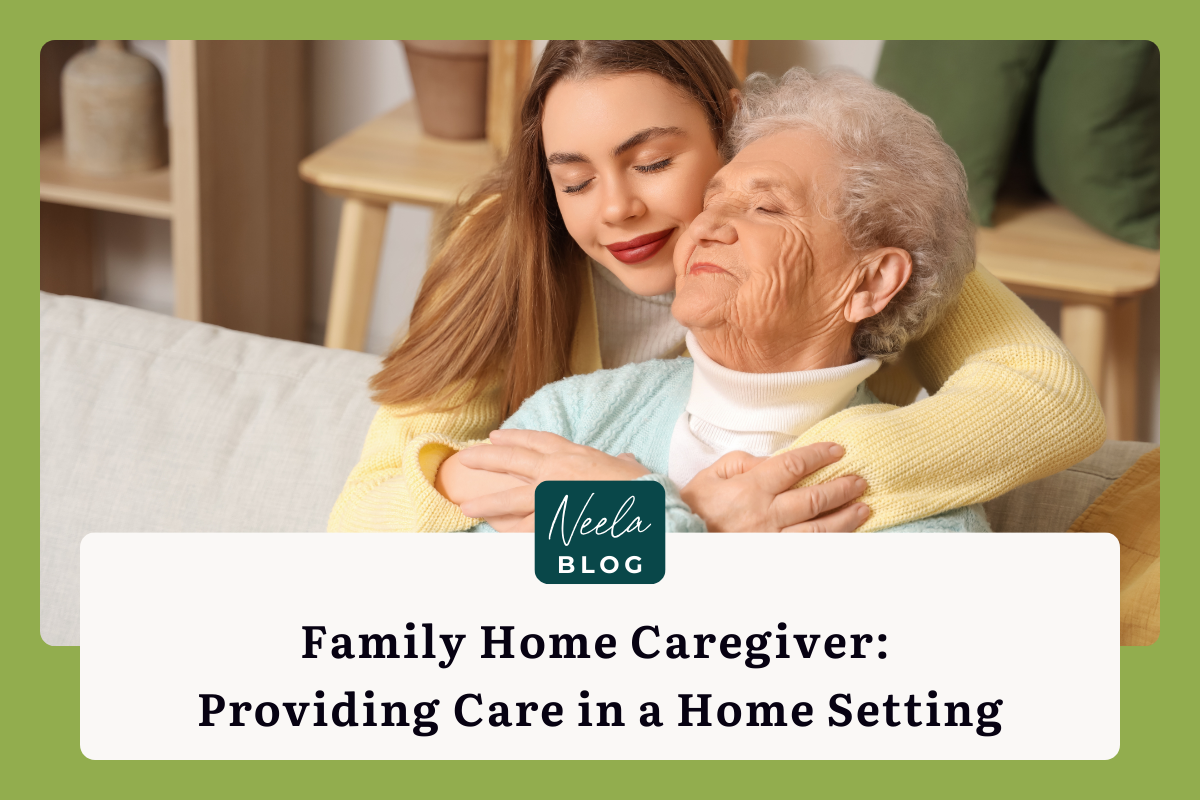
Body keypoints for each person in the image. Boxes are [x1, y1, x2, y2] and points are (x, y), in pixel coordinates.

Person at [328, 41, 1103, 534]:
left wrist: (779, 491)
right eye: (573, 179)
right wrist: (472, 478)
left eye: (655, 162)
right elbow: (366, 526)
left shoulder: (855, 249)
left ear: (730, 129)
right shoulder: (509, 258)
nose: (616, 208)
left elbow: (1050, 401)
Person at [436, 69, 998, 532]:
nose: (708, 227)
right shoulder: (574, 413)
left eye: (767, 209)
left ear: (870, 284)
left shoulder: (928, 520)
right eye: (713, 199)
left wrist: (642, 519)